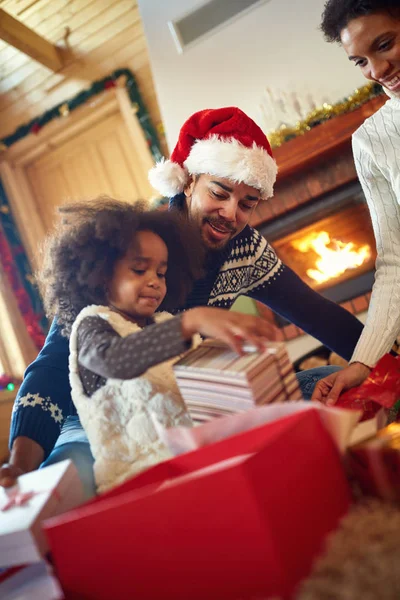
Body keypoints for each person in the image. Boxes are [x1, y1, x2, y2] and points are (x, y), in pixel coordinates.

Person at [2, 107, 364, 494]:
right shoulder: (130, 252)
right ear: (189, 181)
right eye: (219, 193)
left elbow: (320, 316)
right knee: (69, 476)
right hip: (101, 418)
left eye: (248, 202)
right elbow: (59, 365)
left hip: (189, 405)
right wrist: (21, 461)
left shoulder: (247, 250)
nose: (231, 213)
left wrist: (376, 361)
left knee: (331, 384)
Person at [36, 199, 275, 493]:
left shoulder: (164, 322)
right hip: (136, 479)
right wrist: (192, 321)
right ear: (100, 275)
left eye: (161, 273)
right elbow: (117, 360)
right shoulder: (91, 326)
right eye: (139, 270)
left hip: (190, 461)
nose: (154, 281)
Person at [312, 0, 400, 405]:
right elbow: (395, 261)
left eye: (385, 44)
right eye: (360, 61)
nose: (377, 71)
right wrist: (362, 363)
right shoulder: (372, 141)